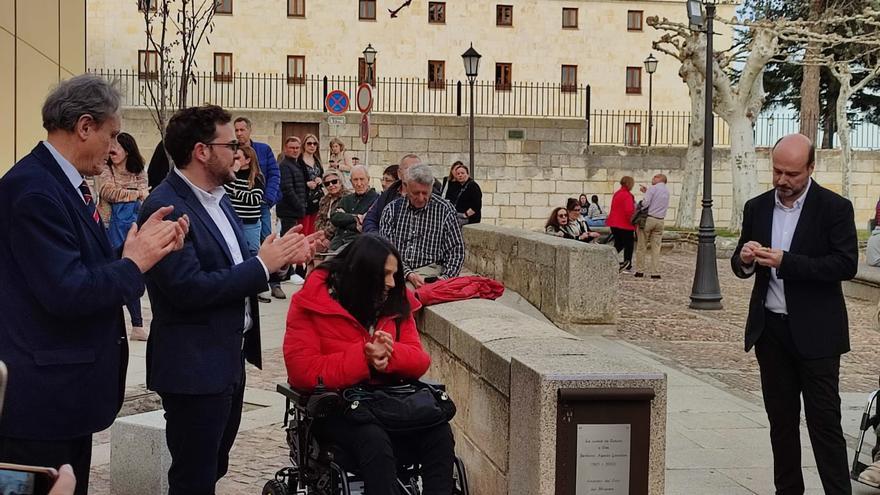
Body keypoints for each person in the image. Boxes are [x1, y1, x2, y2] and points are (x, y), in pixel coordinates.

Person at [0, 74, 187, 495]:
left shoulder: (60, 183)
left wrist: (136, 249)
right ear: (85, 126)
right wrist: (133, 264)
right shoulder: (34, 190)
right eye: (112, 134)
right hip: (41, 404)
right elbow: (67, 291)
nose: (115, 148)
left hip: (64, 398)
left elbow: (82, 266)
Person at [140, 104, 319, 495]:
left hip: (226, 359)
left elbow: (235, 267)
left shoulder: (220, 198)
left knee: (214, 466)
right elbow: (186, 288)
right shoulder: (166, 206)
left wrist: (277, 258)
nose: (239, 152)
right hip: (193, 365)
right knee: (193, 477)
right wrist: (259, 266)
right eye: (230, 144)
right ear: (202, 151)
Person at [731, 133, 858, 495]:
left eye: (792, 174)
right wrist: (743, 259)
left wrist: (788, 262)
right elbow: (741, 261)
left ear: (811, 169)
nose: (782, 181)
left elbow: (845, 264)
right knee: (781, 424)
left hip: (817, 335)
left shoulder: (834, 208)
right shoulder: (757, 207)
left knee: (825, 424)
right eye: (777, 172)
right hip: (770, 333)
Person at [283, 233, 455, 494]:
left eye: (394, 275)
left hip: (389, 400)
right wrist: (364, 357)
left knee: (438, 431)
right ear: (361, 273)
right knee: (372, 440)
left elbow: (419, 360)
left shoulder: (396, 302)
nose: (390, 283)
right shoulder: (310, 302)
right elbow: (302, 372)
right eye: (383, 274)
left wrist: (389, 355)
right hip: (338, 405)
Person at [98, 132, 150, 341]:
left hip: (133, 229)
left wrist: (130, 193)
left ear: (127, 150)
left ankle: (137, 325)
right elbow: (108, 192)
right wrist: (135, 194)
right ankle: (110, 322)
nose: (112, 151)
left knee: (131, 274)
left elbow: (144, 191)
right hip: (109, 230)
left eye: (116, 147)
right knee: (112, 276)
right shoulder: (105, 168)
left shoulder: (139, 170)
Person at [379, 163, 464, 288]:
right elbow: (386, 249)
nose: (420, 198)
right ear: (406, 188)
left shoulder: (445, 209)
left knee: (406, 294)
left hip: (429, 269)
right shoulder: (391, 210)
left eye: (425, 193)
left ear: (431, 188)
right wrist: (408, 273)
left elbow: (456, 250)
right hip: (396, 268)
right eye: (415, 193)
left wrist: (446, 278)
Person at [233, 117, 280, 243]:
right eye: (236, 130)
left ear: (249, 130)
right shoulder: (231, 150)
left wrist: (268, 198)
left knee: (265, 240)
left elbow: (274, 174)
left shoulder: (263, 149)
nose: (239, 133)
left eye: (242, 130)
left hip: (261, 202)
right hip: (237, 205)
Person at [276, 136, 308, 285]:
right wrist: (300, 206)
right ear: (285, 148)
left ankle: (289, 272)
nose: (295, 150)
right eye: (292, 148)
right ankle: (288, 272)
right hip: (289, 210)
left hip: (294, 210)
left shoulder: (296, 164)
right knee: (287, 241)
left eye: (297, 148)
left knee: (290, 241)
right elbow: (287, 189)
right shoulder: (285, 166)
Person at [364, 154, 422, 233]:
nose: (411, 173)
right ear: (399, 173)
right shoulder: (387, 195)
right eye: (407, 168)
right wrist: (378, 239)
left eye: (415, 169)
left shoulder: (428, 198)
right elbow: (370, 219)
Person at [223, 145, 264, 257]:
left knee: (252, 253)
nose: (235, 160)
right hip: (234, 222)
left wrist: (236, 193)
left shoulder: (256, 178)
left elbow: (254, 199)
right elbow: (226, 191)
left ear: (248, 160)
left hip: (250, 224)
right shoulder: (230, 175)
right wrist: (233, 173)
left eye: (238, 158)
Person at [330, 165, 379, 251]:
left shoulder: (376, 200)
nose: (359, 184)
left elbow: (365, 223)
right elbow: (334, 218)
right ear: (351, 182)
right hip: (336, 243)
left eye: (362, 179)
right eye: (355, 180)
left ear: (368, 179)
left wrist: (344, 218)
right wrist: (356, 217)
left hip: (357, 245)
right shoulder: (346, 199)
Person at [634, 174, 670, 280]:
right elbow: (657, 200)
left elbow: (645, 203)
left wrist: (639, 204)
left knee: (641, 245)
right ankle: (655, 272)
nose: (652, 179)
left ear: (659, 179)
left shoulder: (653, 189)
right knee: (656, 248)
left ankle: (640, 271)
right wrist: (647, 191)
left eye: (654, 177)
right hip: (660, 220)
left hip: (648, 219)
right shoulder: (666, 191)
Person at [606, 176, 637, 272]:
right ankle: (627, 264)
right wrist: (633, 221)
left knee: (618, 243)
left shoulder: (617, 193)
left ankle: (608, 258)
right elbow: (629, 210)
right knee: (629, 245)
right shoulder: (628, 195)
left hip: (614, 223)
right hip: (625, 224)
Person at [298, 133, 324, 236]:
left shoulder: (317, 160)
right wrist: (306, 184)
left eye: (315, 144)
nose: (312, 146)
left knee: (314, 228)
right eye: (309, 143)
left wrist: (320, 180)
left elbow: (322, 175)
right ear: (304, 145)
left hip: (317, 198)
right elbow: (295, 179)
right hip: (304, 199)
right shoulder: (299, 160)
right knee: (303, 228)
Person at [315, 169, 348, 247]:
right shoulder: (324, 200)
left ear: (340, 182)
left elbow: (340, 222)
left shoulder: (347, 198)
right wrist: (321, 236)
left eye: (334, 182)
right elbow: (319, 220)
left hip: (340, 237)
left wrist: (326, 236)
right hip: (322, 236)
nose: (331, 185)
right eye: (327, 183)